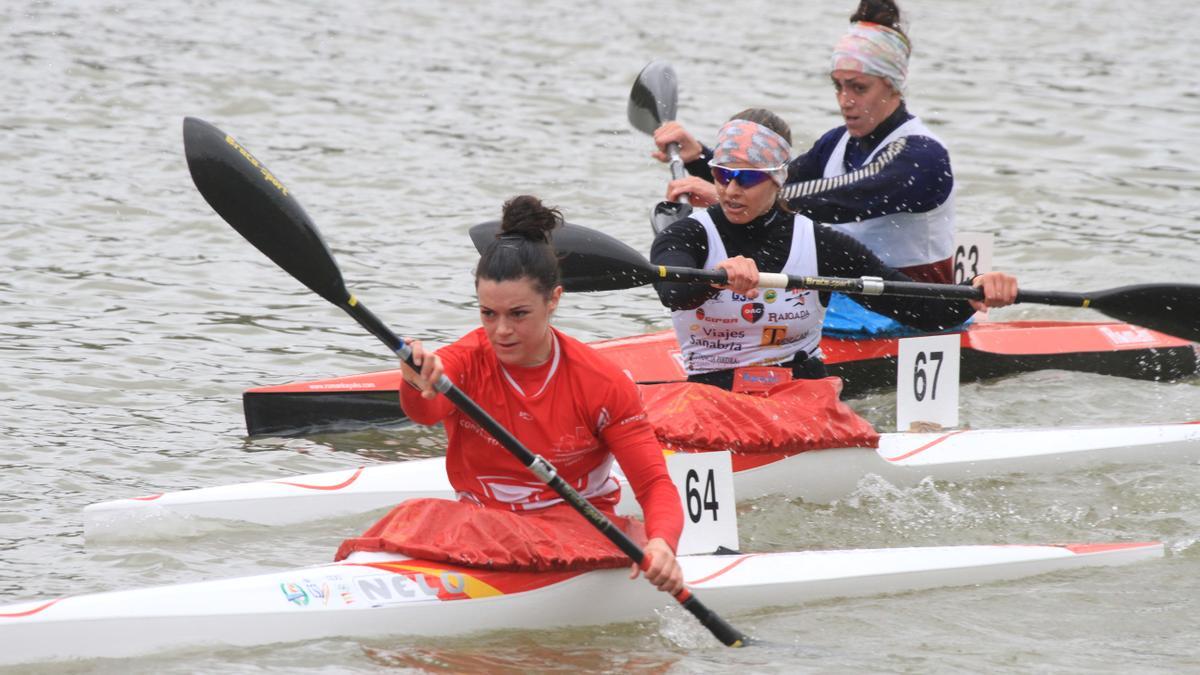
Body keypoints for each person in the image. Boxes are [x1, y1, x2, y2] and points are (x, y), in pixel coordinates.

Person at [335, 195, 684, 595]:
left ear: (553, 300)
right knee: (417, 513)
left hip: (576, 534)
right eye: (488, 314)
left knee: (423, 516)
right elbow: (425, 413)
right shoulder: (463, 361)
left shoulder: (602, 383)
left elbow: (655, 484)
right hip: (481, 532)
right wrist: (417, 381)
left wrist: (662, 543)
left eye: (518, 314)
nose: (501, 331)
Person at [650, 111, 1018, 391]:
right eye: (721, 174)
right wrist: (717, 281)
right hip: (714, 396)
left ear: (778, 178)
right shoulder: (687, 236)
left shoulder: (820, 243)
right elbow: (673, 291)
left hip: (800, 394)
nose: (730, 190)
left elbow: (918, 309)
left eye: (747, 177)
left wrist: (975, 290)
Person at [653, 0, 956, 285]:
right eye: (838, 86)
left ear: (893, 87)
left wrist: (722, 197)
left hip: (914, 313)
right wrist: (701, 159)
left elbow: (840, 196)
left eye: (859, 88)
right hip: (846, 305)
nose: (845, 101)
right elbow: (771, 182)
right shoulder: (836, 142)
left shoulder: (923, 156)